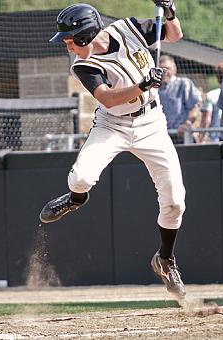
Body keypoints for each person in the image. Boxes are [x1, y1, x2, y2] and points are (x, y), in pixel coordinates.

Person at [40, 1, 187, 298]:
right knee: (80, 178)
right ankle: (76, 199)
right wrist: (143, 85)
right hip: (113, 125)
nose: (68, 46)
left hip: (151, 124)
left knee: (175, 203)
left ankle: (165, 259)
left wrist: (169, 11)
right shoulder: (83, 65)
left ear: (84, 35)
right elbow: (107, 99)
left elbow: (173, 35)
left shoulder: (128, 28)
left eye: (69, 40)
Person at [158, 55, 200, 144]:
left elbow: (195, 107)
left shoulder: (184, 83)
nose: (164, 72)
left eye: (167, 68)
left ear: (174, 69)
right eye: (161, 69)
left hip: (182, 135)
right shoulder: (154, 89)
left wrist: (187, 124)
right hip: (161, 137)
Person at [198, 61, 223, 143]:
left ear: (218, 78)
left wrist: (200, 139)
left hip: (216, 139)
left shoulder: (211, 95)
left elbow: (206, 120)